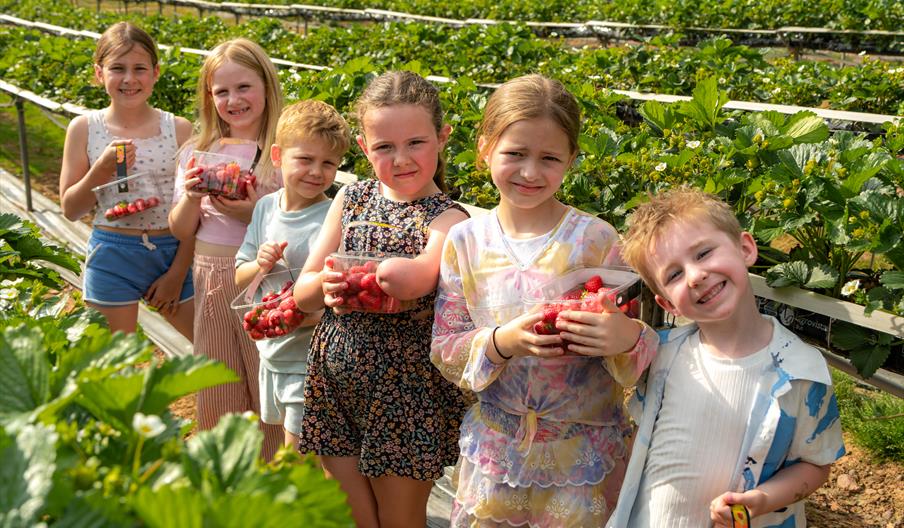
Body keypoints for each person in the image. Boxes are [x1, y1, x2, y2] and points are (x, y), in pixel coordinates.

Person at [430, 74, 659, 527]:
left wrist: (625, 335)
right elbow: (445, 346)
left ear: (571, 159)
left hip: (582, 457)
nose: (530, 172)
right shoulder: (466, 241)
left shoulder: (595, 241)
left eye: (549, 157)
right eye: (515, 153)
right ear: (484, 149)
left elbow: (642, 347)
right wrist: (500, 341)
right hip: (498, 451)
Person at [292, 70, 470, 528]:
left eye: (416, 143)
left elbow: (416, 280)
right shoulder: (351, 198)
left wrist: (377, 272)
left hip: (405, 393)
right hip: (335, 381)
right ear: (363, 145)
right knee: (351, 515)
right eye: (384, 147)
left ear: (442, 138)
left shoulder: (449, 218)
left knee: (399, 520)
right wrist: (329, 286)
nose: (401, 159)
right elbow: (303, 291)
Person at [608, 187, 845, 528]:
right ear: (668, 305)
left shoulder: (801, 372)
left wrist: (758, 502)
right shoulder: (664, 357)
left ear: (745, 248)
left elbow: (816, 465)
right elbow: (641, 446)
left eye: (703, 253)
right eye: (674, 275)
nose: (695, 276)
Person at [168, 38, 283, 460]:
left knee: (265, 380)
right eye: (221, 91)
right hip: (211, 274)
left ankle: (276, 475)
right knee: (218, 380)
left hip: (265, 280)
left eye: (244, 87)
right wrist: (191, 197)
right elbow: (180, 229)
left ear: (267, 87)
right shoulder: (198, 154)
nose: (233, 100)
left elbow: (295, 228)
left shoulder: (284, 153)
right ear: (209, 97)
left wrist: (248, 214)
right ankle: (227, 473)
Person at [59, 22, 194, 339]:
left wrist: (176, 273)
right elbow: (70, 209)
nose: (130, 79)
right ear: (99, 73)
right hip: (112, 254)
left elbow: (195, 207)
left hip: (173, 252)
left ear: (156, 72)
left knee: (212, 350)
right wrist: (101, 169)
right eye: (117, 68)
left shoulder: (179, 129)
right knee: (113, 360)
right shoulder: (83, 129)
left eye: (140, 69)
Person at [234, 99, 350, 449]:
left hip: (310, 358)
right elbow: (240, 275)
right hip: (271, 352)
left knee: (298, 453)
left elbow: (338, 297)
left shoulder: (332, 220)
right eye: (305, 160)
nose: (316, 172)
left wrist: (303, 316)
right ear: (277, 156)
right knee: (289, 446)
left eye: (328, 163)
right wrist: (261, 264)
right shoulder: (266, 208)